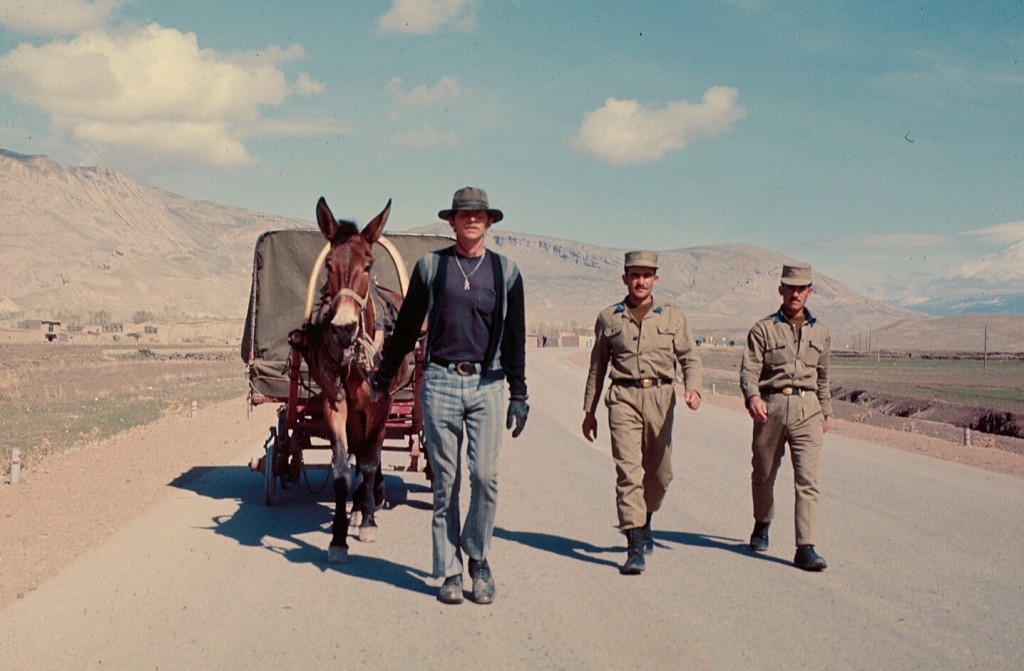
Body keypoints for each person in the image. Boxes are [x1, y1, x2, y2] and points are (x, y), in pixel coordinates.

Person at [370, 186, 529, 605]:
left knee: (485, 477)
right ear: (452, 222)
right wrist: (385, 376)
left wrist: (519, 392)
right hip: (440, 382)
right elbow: (405, 329)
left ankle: (478, 558)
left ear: (489, 221)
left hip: (487, 385)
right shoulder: (431, 267)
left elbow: (515, 338)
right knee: (447, 482)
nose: (472, 220)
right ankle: (450, 572)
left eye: (479, 214)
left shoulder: (506, 272)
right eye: (464, 214)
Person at [582, 251, 703, 575]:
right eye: (634, 275)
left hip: (662, 398)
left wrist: (694, 388)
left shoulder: (672, 317)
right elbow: (597, 367)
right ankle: (633, 543)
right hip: (623, 398)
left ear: (655, 279)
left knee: (661, 475)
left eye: (646, 275)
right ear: (624, 278)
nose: (640, 281)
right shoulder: (609, 318)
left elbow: (690, 357)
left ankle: (646, 517)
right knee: (628, 472)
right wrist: (589, 411)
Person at [739, 262, 831, 571]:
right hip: (771, 408)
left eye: (801, 288)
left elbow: (823, 377)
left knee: (808, 480)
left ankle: (805, 546)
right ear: (781, 290)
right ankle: (762, 521)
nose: (795, 293)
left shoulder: (822, 332)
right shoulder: (763, 329)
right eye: (789, 287)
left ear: (809, 291)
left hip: (808, 411)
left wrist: (825, 412)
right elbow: (749, 370)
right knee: (763, 475)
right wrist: (753, 396)